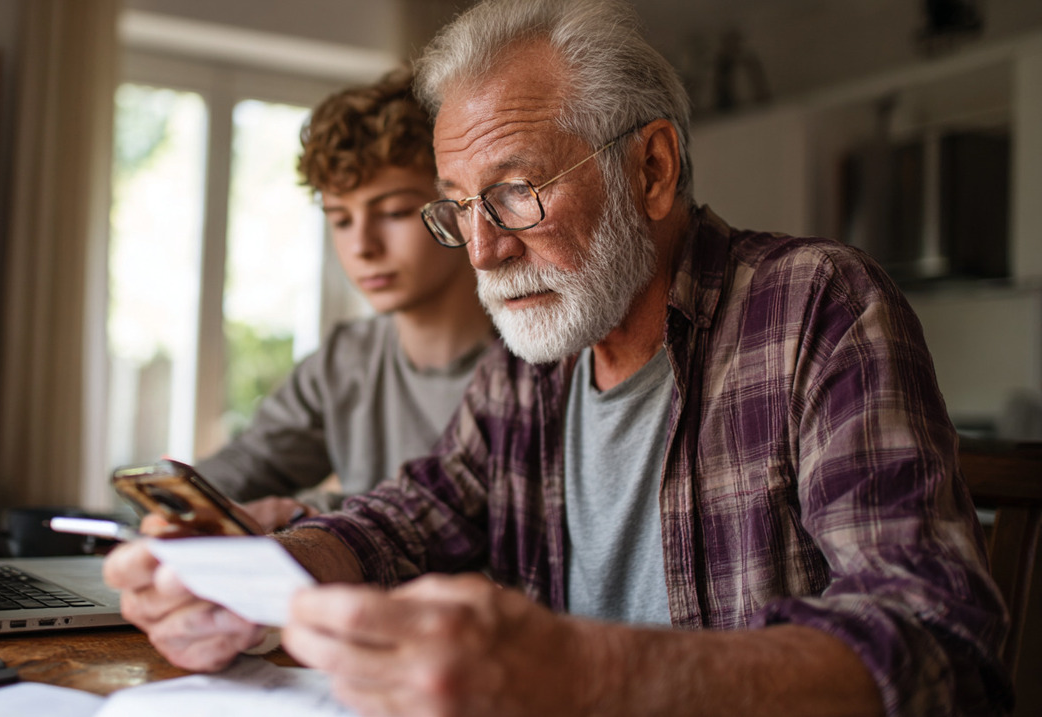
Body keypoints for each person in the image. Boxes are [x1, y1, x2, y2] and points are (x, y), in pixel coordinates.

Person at [105, 1, 1010, 715]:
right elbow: (409, 518)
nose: (485, 250)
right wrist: (256, 575)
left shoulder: (817, 305)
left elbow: (937, 646)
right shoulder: (530, 362)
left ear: (651, 171)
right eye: (459, 207)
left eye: (516, 193)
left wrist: (592, 674)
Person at [194, 68, 495, 531]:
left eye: (393, 212)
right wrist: (177, 507)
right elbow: (246, 465)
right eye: (340, 219)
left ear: (459, 204)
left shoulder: (530, 366)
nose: (362, 247)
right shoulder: (345, 360)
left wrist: (315, 510)